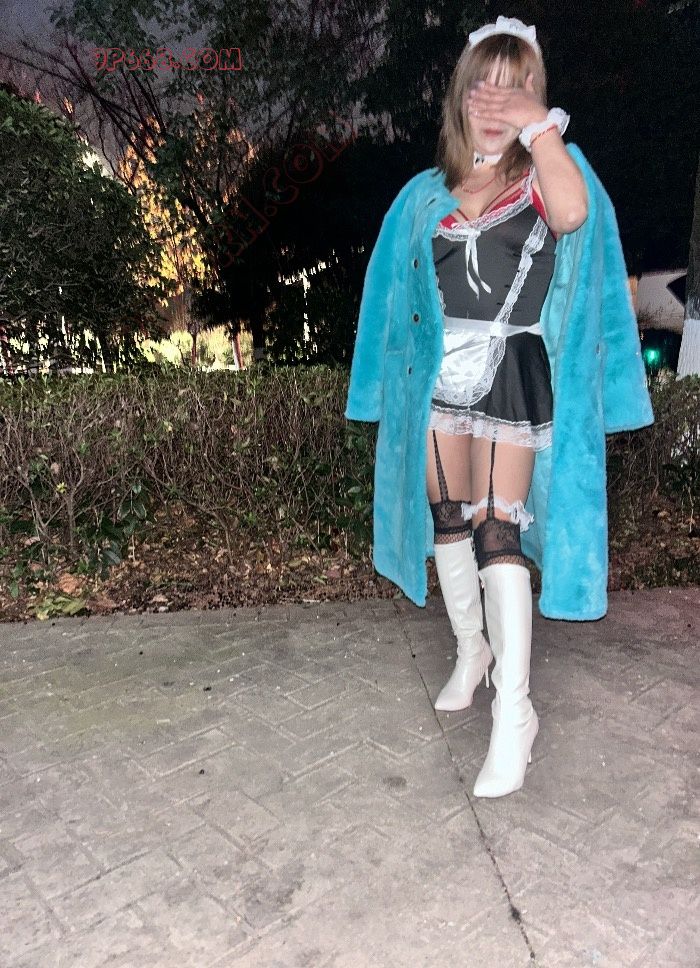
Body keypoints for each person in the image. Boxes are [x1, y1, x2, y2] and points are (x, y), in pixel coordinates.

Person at [344, 16, 653, 799]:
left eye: (513, 87)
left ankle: (515, 713)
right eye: (483, 84)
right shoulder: (424, 194)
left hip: (512, 367)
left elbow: (574, 216)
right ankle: (470, 649)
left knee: (495, 529)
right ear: (460, 94)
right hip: (434, 375)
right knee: (447, 518)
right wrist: (377, 390)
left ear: (535, 96)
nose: (495, 101)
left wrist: (536, 128)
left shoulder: (552, 172)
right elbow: (389, 303)